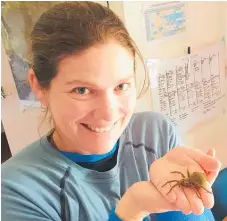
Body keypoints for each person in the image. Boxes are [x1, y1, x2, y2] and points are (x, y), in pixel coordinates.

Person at [2, 2, 221, 221]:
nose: (108, 113)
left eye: (121, 86)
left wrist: (173, 204)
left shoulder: (156, 133)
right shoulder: (16, 191)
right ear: (39, 86)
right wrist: (133, 207)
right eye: (82, 90)